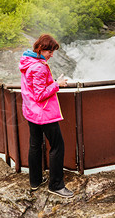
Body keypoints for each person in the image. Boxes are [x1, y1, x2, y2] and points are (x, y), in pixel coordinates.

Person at [19, 34, 74, 198]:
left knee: (35, 145)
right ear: (41, 49)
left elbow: (35, 88)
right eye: (50, 51)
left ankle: (35, 181)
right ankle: (56, 185)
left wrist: (53, 81)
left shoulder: (28, 62)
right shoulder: (39, 67)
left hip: (31, 112)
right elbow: (40, 94)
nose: (51, 55)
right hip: (43, 113)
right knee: (57, 146)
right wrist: (58, 84)